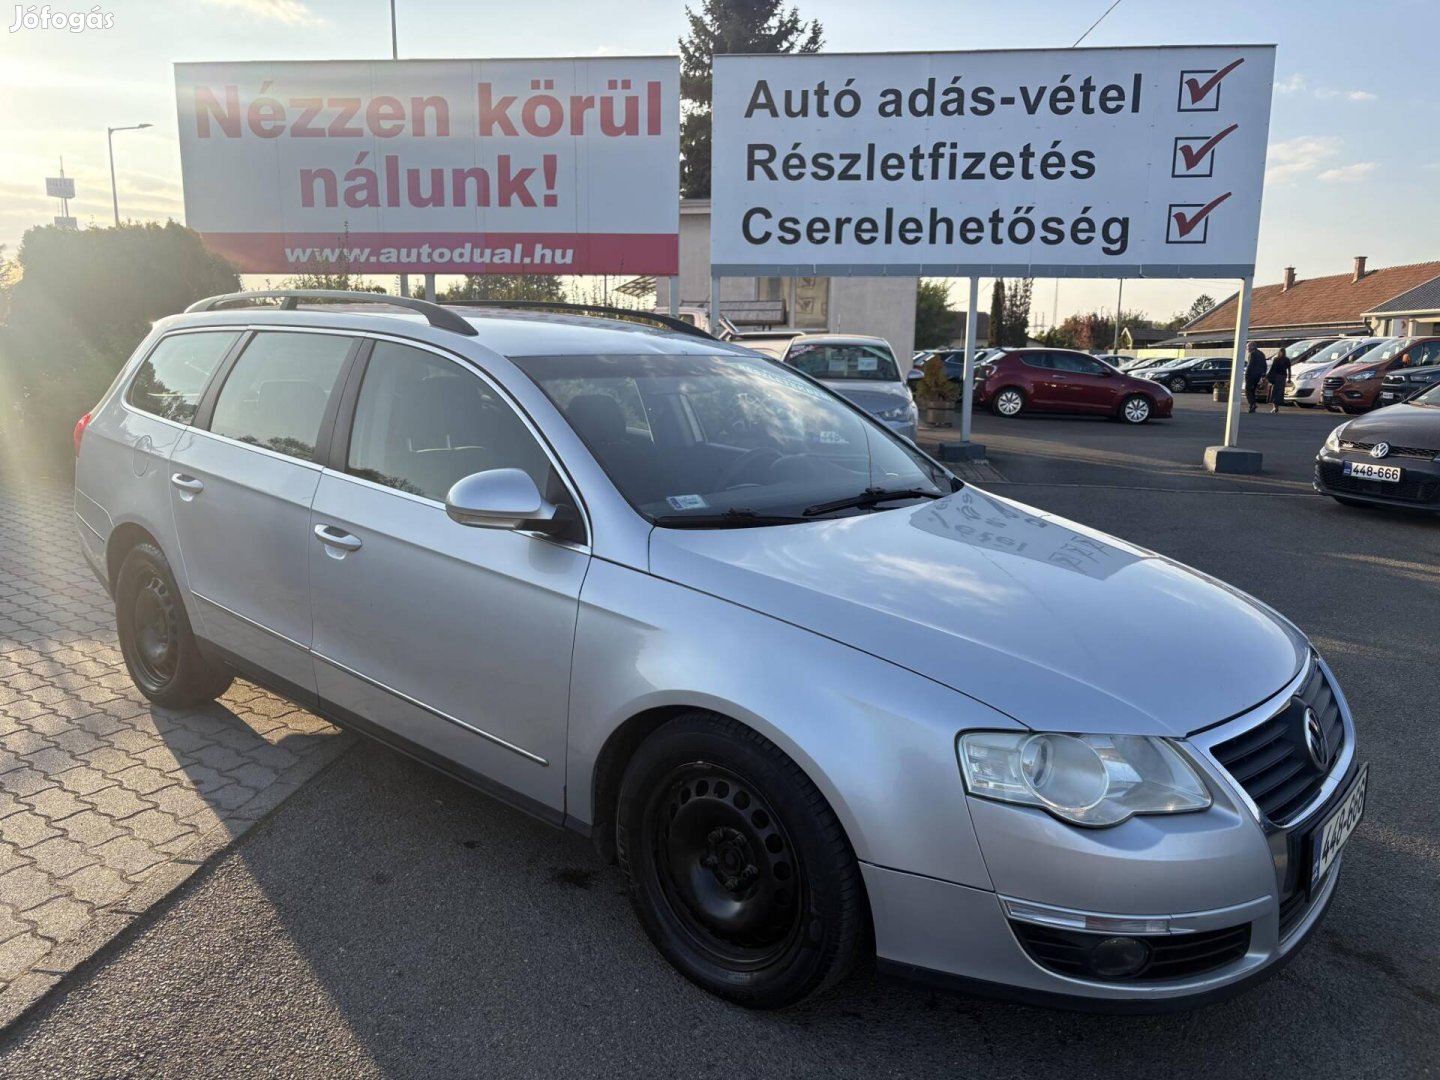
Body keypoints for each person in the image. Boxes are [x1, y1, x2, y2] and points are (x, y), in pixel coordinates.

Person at [1266, 346, 1291, 413]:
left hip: (1276, 377)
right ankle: (1277, 406)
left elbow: (1273, 368)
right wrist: (1289, 378)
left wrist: (1268, 376)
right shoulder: (1287, 360)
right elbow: (1289, 369)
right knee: (1280, 392)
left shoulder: (1276, 359)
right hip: (1283, 377)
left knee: (1274, 392)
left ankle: (1275, 407)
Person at [1245, 341, 1267, 413]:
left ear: (1253, 346)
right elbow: (1265, 365)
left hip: (1251, 375)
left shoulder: (1252, 354)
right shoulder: (1261, 354)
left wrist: (1246, 375)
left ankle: (1252, 404)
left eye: (1248, 347)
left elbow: (1250, 365)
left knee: (1248, 391)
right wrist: (1263, 374)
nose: (1247, 349)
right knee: (1253, 391)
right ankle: (1252, 406)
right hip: (1258, 376)